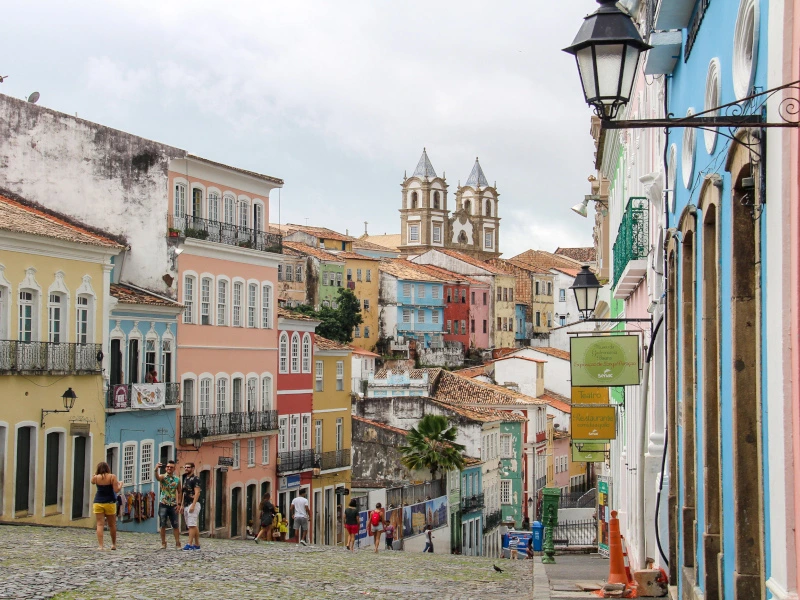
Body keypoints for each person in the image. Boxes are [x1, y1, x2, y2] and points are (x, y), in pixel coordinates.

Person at [91, 462, 123, 550]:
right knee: (112, 525)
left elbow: (92, 481)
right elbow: (116, 490)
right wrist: (120, 485)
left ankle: (100, 546)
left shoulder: (96, 478)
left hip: (98, 502)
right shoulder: (112, 477)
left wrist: (95, 475)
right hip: (109, 502)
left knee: (100, 524)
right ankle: (113, 544)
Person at [154, 460, 182, 550]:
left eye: (171, 467)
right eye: (168, 467)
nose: (169, 468)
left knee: (175, 524)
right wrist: (155, 470)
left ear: (174, 469)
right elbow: (158, 478)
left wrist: (179, 504)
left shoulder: (177, 479)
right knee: (163, 524)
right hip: (163, 503)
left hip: (173, 504)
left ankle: (178, 543)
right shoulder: (163, 477)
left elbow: (180, 491)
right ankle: (163, 543)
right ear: (166, 468)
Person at [181, 462, 202, 550]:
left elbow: (197, 493)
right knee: (192, 524)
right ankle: (197, 544)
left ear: (193, 468)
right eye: (185, 467)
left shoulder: (196, 479)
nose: (186, 469)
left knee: (191, 525)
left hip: (193, 504)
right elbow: (184, 493)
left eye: (188, 467)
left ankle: (189, 544)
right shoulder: (186, 478)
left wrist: (193, 505)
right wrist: (182, 505)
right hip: (186, 504)